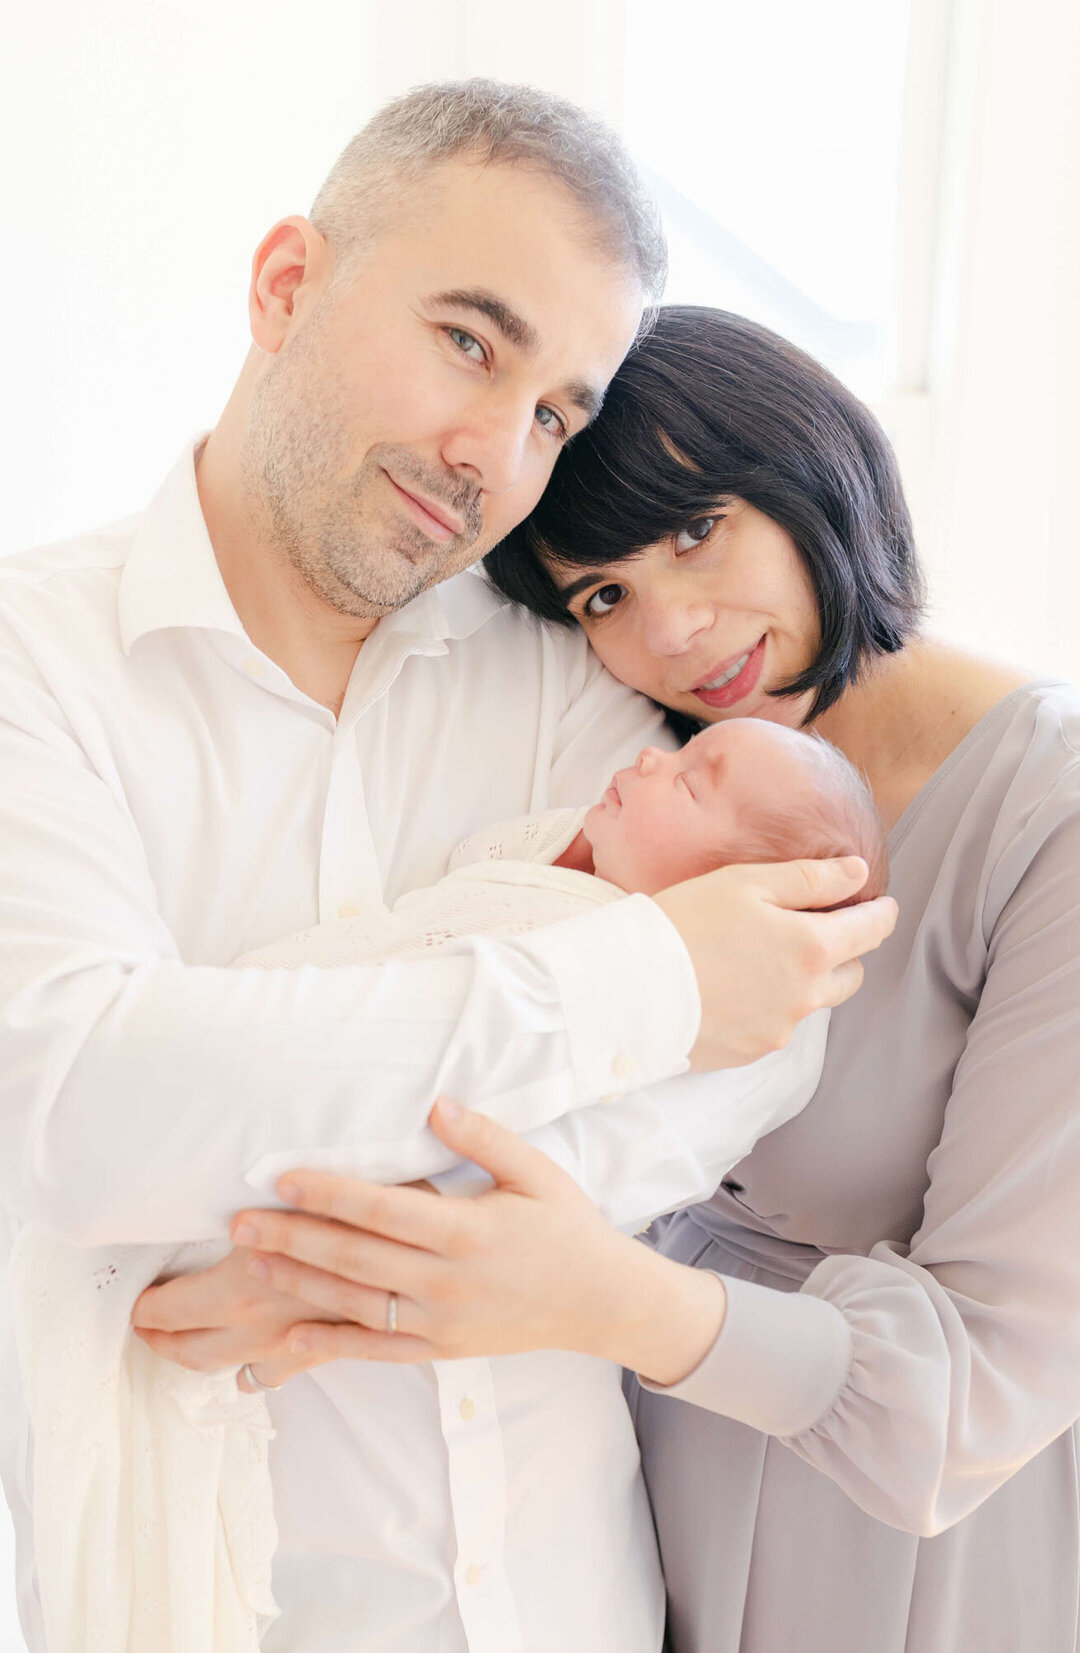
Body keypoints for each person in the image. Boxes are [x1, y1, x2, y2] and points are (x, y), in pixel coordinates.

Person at [0, 83, 894, 1653]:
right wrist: (639, 982)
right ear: (287, 284)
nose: (495, 453)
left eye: (555, 413)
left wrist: (428, 1267)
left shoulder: (563, 673)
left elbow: (769, 1019)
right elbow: (82, 1111)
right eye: (470, 341)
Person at [231, 304, 1080, 1653]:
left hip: (904, 1569)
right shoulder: (657, 789)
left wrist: (594, 1293)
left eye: (696, 531)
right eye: (603, 596)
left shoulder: (1046, 820)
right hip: (632, 1538)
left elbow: (989, 1376)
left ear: (814, 465)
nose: (675, 630)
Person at [19, 716, 886, 1650]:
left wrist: (334, 1271)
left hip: (561, 1576)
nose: (648, 755)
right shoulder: (551, 871)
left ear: (748, 897)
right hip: (335, 1549)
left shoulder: (724, 1034)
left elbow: (602, 1149)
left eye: (691, 780)